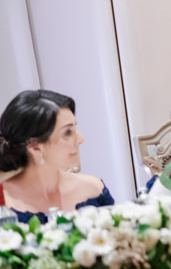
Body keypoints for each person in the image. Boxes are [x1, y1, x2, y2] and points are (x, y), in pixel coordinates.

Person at [0, 90, 114, 224]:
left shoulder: (94, 189)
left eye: (75, 128)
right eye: (68, 132)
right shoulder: (4, 202)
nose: (81, 139)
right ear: (35, 147)